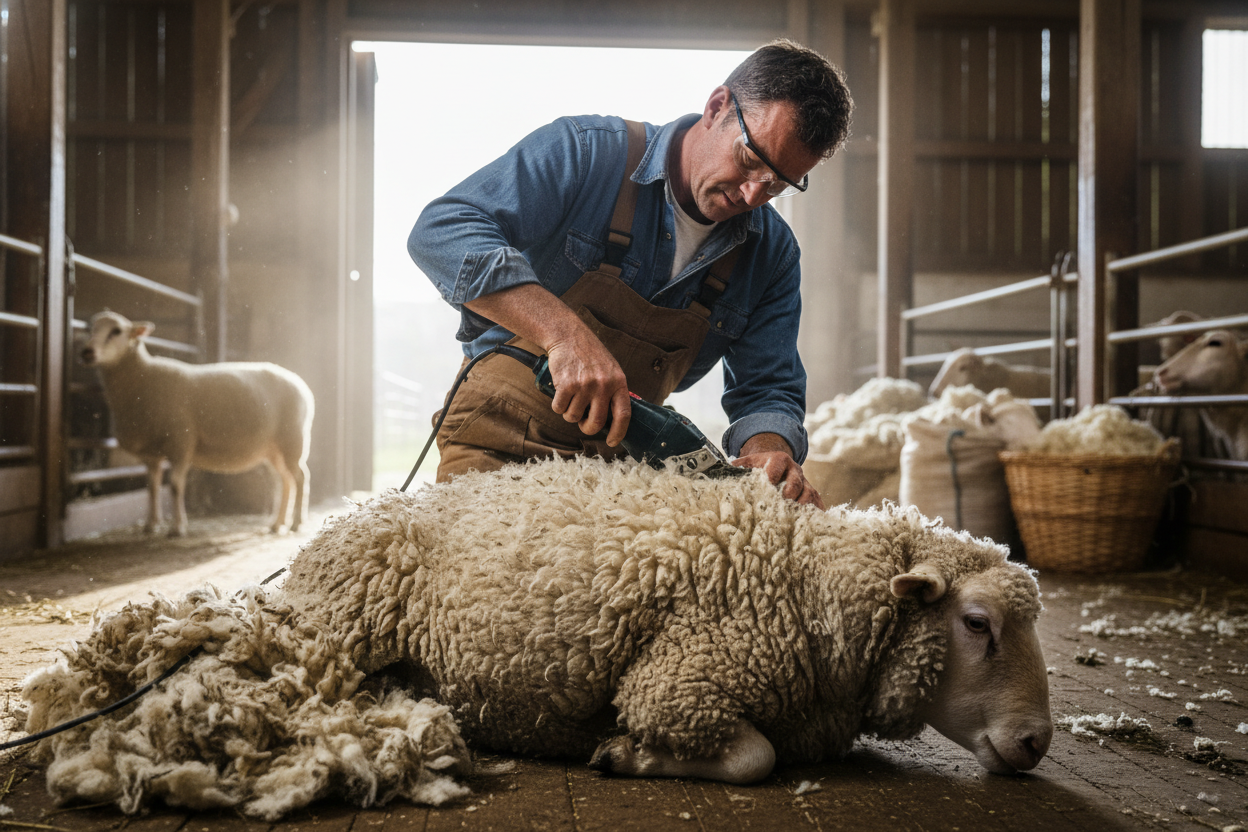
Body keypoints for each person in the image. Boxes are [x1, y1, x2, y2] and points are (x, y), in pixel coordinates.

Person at [408, 38, 853, 508]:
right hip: (493, 446)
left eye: (776, 185)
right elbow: (441, 230)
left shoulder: (773, 255)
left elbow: (767, 387)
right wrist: (564, 336)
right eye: (749, 161)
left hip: (622, 479)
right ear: (717, 106)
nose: (750, 194)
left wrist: (770, 451)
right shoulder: (584, 154)